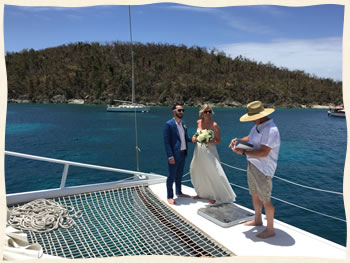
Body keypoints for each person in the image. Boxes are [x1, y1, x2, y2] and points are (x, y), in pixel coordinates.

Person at [229, 100, 280, 239]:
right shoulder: (258, 126)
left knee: (266, 199)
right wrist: (238, 140)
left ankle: (270, 229)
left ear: (260, 115)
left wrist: (243, 152)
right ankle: (258, 219)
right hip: (253, 165)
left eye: (252, 118)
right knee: (254, 194)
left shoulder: (271, 130)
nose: (251, 121)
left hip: (263, 169)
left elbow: (264, 152)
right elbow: (251, 138)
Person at [190, 104, 236, 205]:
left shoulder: (214, 125)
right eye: (206, 111)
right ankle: (201, 193)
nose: (208, 113)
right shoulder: (198, 122)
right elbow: (196, 134)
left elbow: (218, 141)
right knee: (197, 170)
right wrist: (194, 138)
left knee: (213, 172)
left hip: (209, 151)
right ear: (202, 113)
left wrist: (208, 142)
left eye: (210, 111)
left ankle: (215, 196)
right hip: (198, 151)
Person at [163, 104, 193, 205]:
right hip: (174, 155)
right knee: (171, 176)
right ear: (173, 111)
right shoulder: (168, 124)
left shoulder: (183, 123)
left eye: (183, 110)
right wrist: (170, 156)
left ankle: (179, 192)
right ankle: (170, 196)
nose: (181, 112)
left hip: (183, 153)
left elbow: (185, 138)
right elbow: (166, 142)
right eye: (179, 110)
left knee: (179, 175)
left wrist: (193, 139)